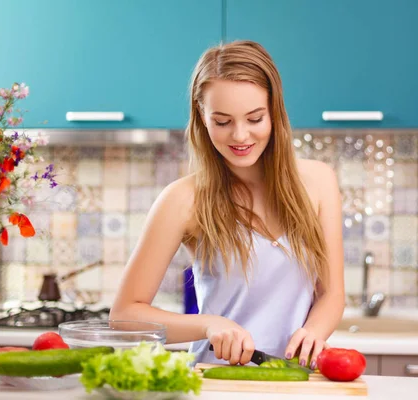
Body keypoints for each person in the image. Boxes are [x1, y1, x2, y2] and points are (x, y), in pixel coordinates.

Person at [110, 40, 345, 369]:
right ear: (202, 119)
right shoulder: (183, 199)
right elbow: (124, 316)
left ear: (274, 112)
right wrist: (209, 323)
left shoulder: (319, 182)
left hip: (294, 381)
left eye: (255, 118)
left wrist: (313, 332)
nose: (240, 135)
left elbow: (331, 295)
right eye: (222, 122)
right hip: (216, 381)